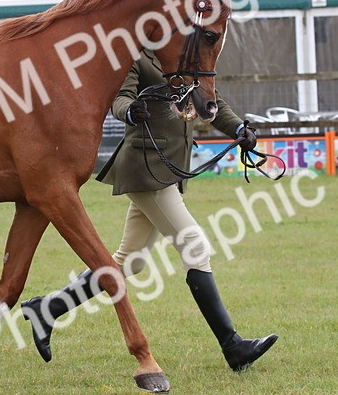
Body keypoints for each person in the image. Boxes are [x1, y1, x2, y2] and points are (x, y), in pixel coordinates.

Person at [21, 49, 279, 372]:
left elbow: (211, 102)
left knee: (129, 262)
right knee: (195, 246)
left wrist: (239, 129)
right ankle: (233, 346)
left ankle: (46, 309)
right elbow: (120, 98)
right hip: (146, 170)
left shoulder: (187, 54)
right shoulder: (137, 56)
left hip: (167, 170)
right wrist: (131, 111)